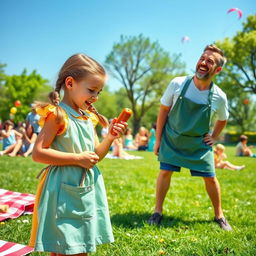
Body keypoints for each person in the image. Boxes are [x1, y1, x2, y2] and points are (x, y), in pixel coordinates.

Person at [29, 53, 128, 256]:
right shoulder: (57, 115)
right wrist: (77, 159)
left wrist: (109, 138)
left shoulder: (87, 118)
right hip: (63, 190)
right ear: (70, 83)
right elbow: (38, 153)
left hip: (84, 188)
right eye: (91, 90)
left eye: (99, 92)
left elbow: (94, 156)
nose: (95, 97)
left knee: (78, 245)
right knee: (65, 246)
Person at [148, 44, 232, 231]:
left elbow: (223, 119)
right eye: (202, 58)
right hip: (172, 139)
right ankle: (157, 211)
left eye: (209, 61)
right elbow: (163, 111)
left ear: (217, 70)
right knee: (164, 172)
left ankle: (219, 215)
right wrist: (159, 140)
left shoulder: (219, 96)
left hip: (198, 144)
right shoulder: (178, 83)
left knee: (210, 178)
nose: (203, 62)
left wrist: (214, 136)